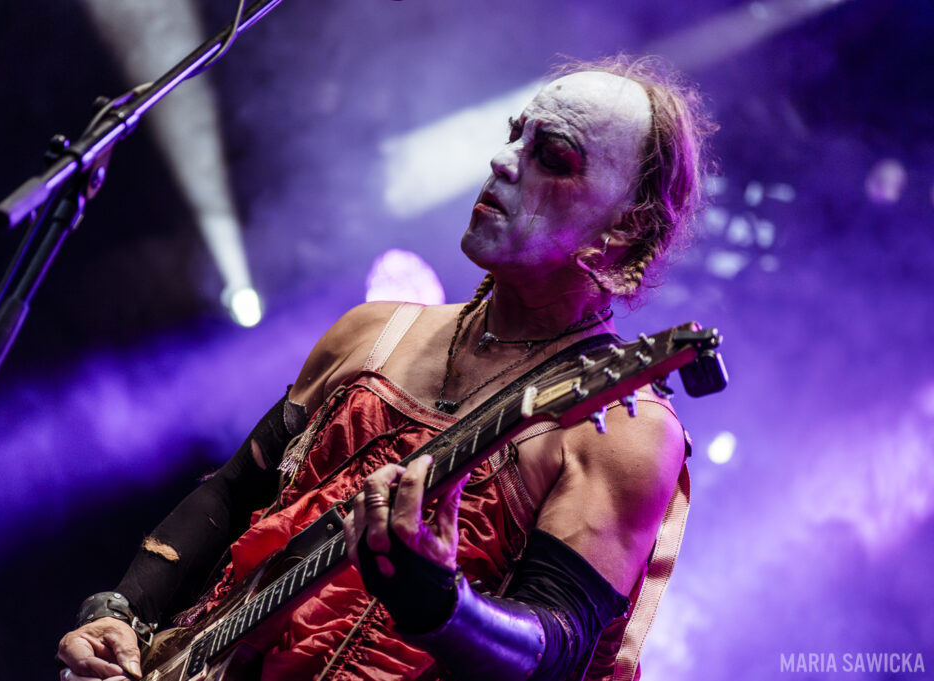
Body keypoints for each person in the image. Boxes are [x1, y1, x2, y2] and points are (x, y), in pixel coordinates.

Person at [57, 55, 715, 681]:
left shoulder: (626, 430)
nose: (501, 159)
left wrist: (440, 603)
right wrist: (119, 611)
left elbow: (557, 651)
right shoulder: (373, 333)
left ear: (624, 229)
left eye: (552, 156)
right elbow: (231, 492)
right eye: (515, 134)